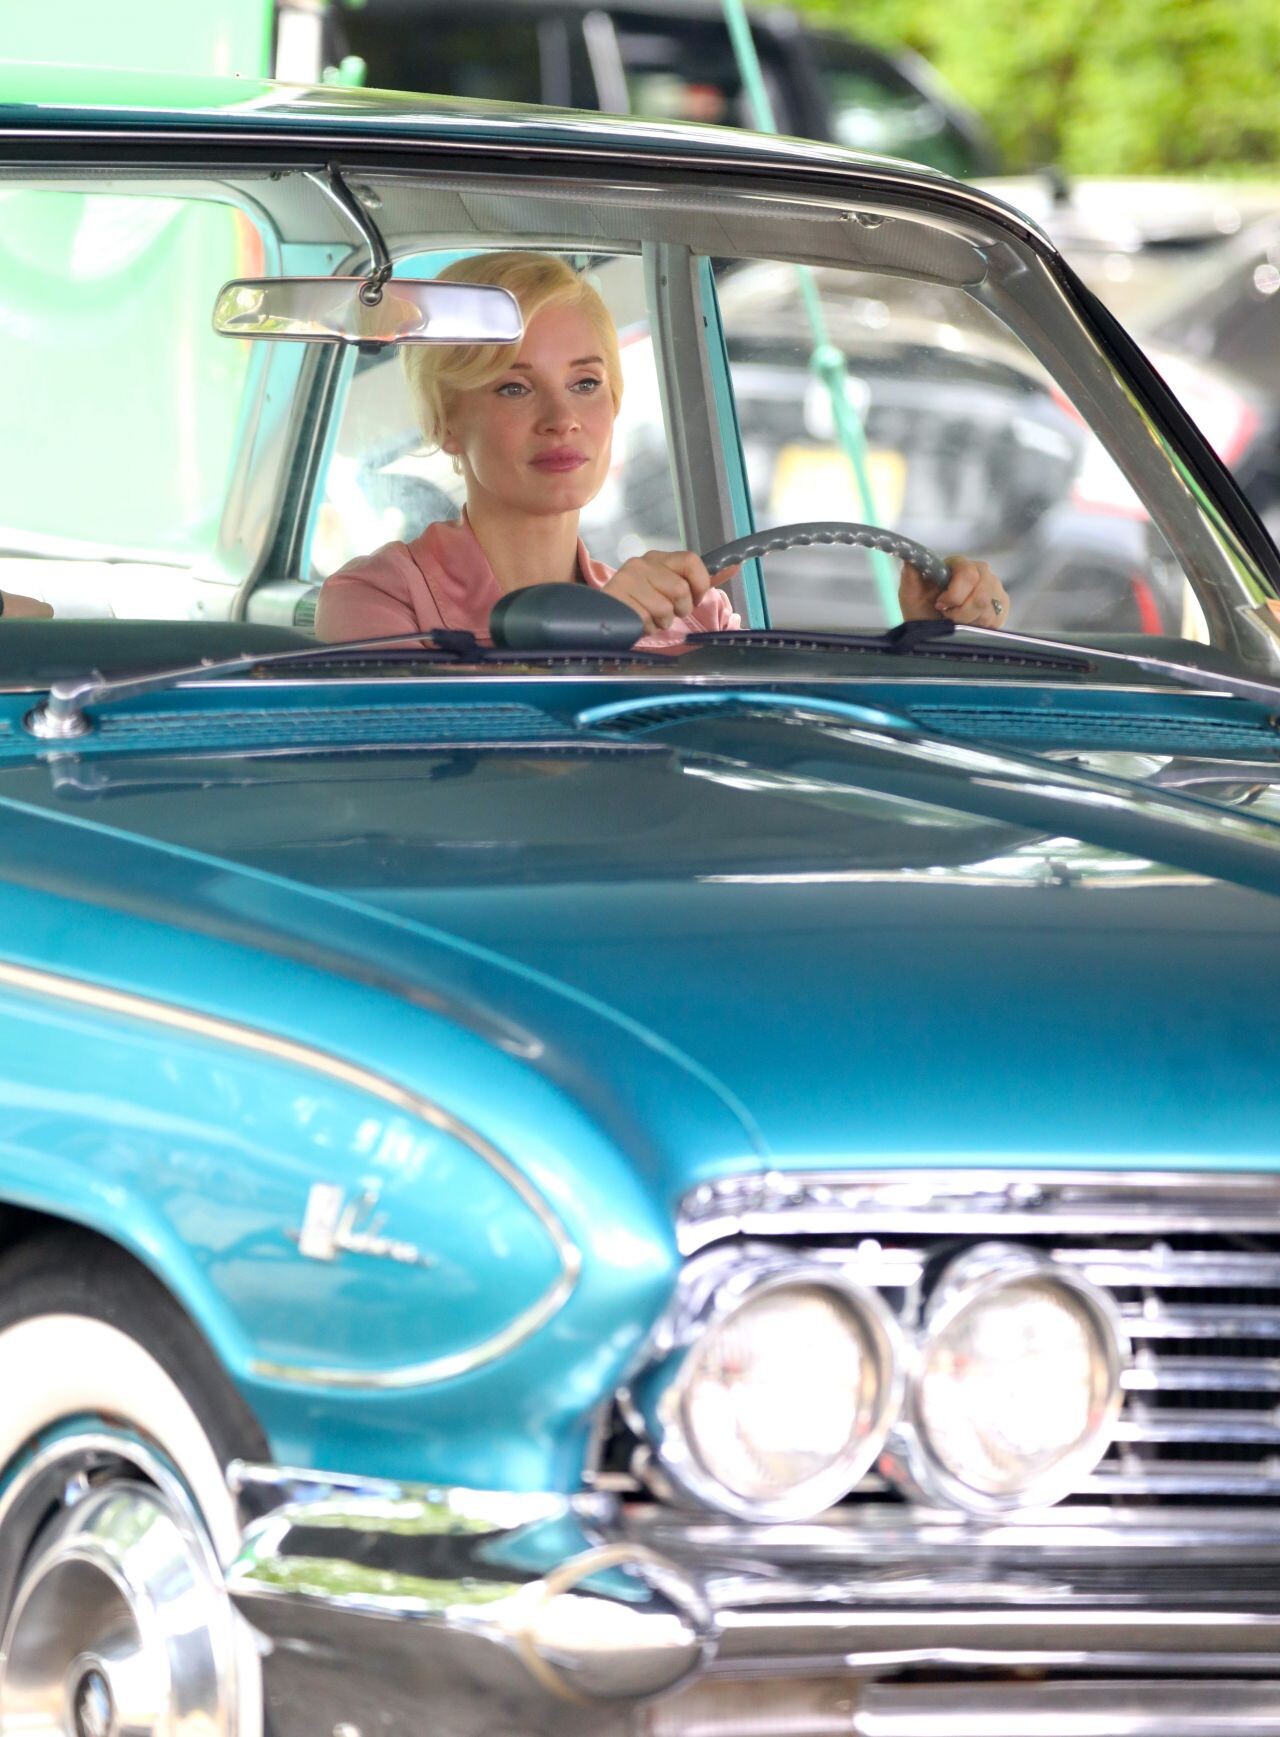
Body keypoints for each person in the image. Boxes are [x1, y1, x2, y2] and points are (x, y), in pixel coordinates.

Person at [316, 252, 1009, 646]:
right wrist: (595, 636)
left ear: (615, 402)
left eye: (585, 383)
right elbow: (438, 787)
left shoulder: (693, 615)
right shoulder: (377, 599)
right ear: (445, 422)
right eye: (514, 388)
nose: (562, 419)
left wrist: (930, 635)